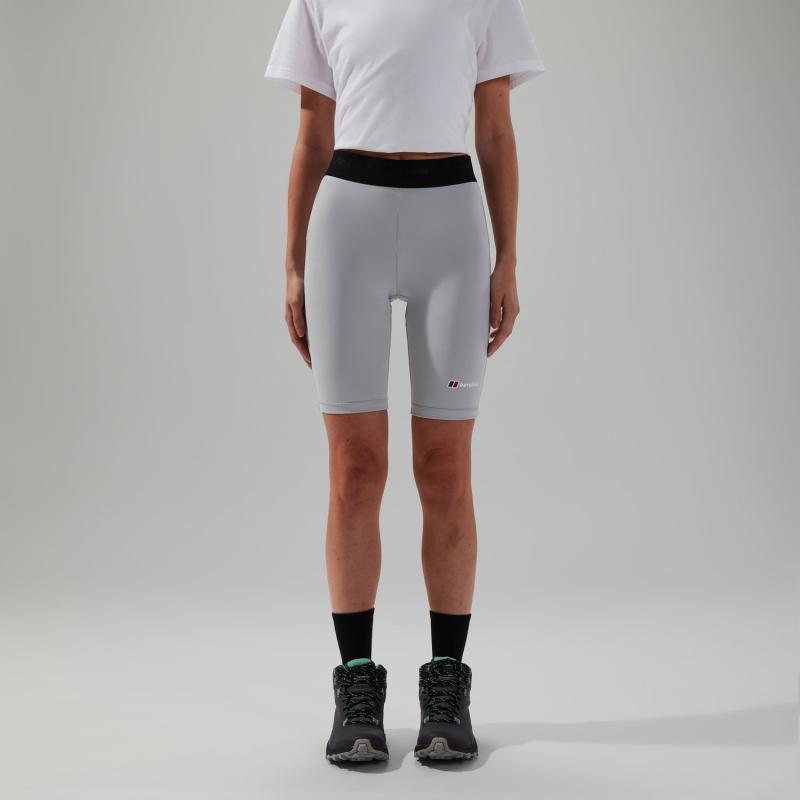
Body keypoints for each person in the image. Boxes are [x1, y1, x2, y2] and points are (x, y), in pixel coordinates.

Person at [264, 0, 545, 763]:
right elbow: (313, 131)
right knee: (355, 469)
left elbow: (494, 129)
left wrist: (508, 260)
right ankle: (356, 686)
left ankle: (446, 687)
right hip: (345, 227)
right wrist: (292, 265)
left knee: (444, 468)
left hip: (451, 226)